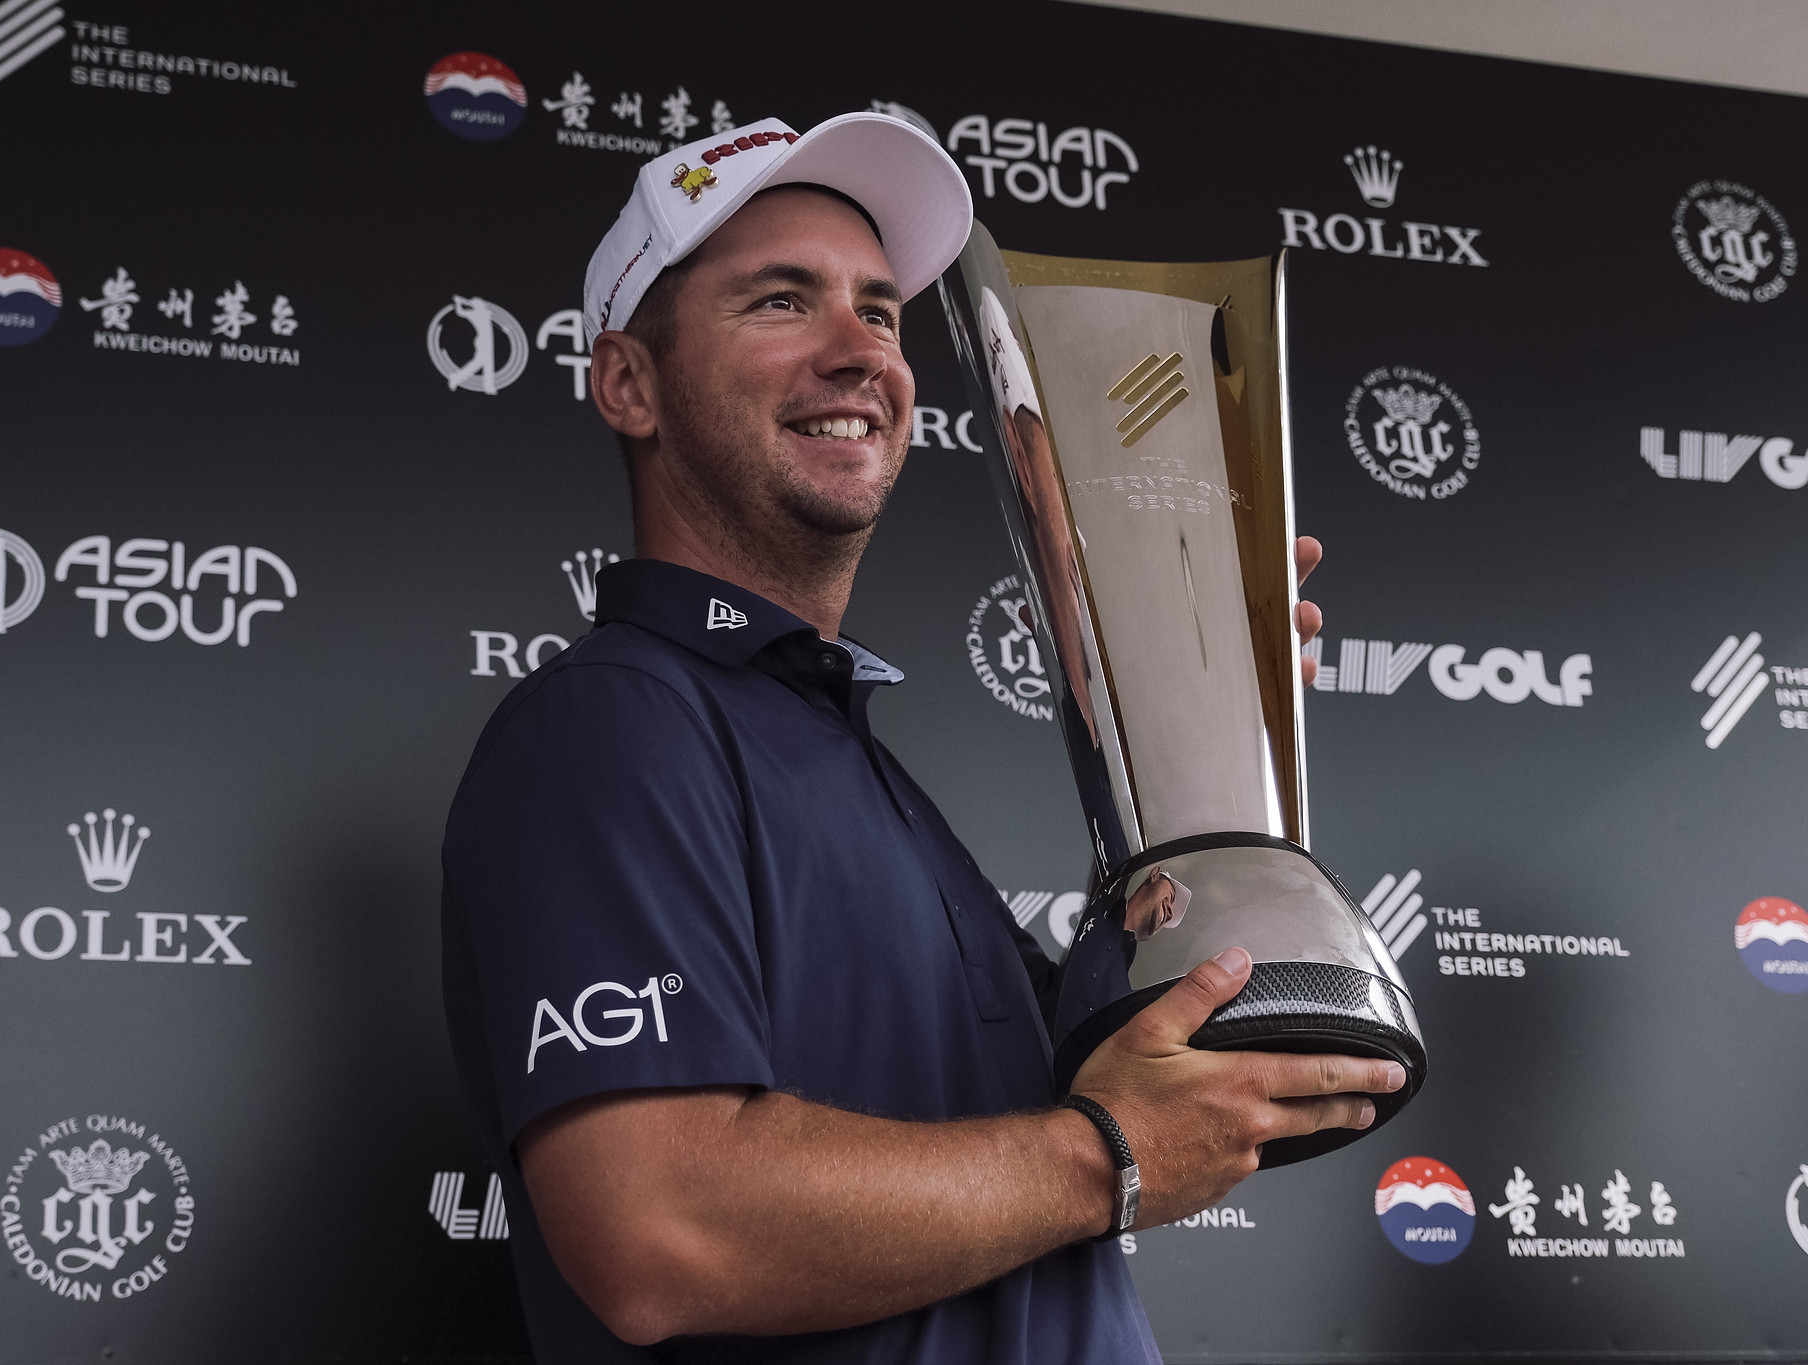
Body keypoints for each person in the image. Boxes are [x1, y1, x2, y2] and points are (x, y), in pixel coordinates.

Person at [439, 112, 1399, 1364]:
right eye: (781, 302)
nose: (861, 353)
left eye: (882, 313)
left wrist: (1203, 764)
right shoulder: (613, 724)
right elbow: (659, 1230)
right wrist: (1106, 1152)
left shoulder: (846, 757)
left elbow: (1100, 1098)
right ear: (629, 382)